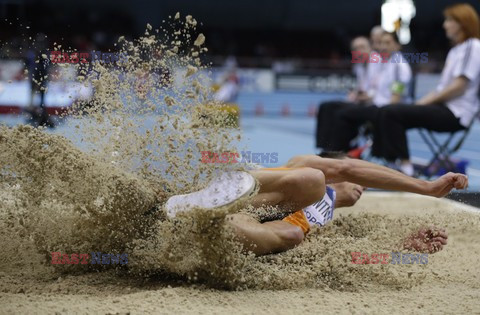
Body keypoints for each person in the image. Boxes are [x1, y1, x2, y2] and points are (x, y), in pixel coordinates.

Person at [165, 153, 467, 256]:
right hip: (253, 197)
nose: (363, 187)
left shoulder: (324, 219)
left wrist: (402, 247)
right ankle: (204, 202)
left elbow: (338, 256)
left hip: (247, 226)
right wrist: (426, 187)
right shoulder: (304, 168)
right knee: (311, 178)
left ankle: (201, 228)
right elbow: (349, 169)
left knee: (293, 236)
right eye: (362, 182)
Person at [372, 3, 480, 176]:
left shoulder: (472, 46)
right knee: (386, 112)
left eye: (449, 20)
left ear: (462, 23)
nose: (444, 25)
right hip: (443, 108)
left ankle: (404, 170)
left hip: (456, 114)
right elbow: (441, 89)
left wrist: (423, 104)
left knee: (390, 112)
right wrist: (418, 104)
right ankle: (389, 163)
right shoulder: (455, 51)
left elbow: (459, 87)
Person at [317, 31, 412, 152]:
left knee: (343, 113)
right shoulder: (386, 64)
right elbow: (376, 90)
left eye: (388, 43)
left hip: (384, 110)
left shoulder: (399, 66)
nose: (383, 47)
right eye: (381, 43)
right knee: (328, 107)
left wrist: (383, 113)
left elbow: (395, 98)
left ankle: (337, 153)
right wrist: (364, 96)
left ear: (397, 46)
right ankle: (326, 149)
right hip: (375, 105)